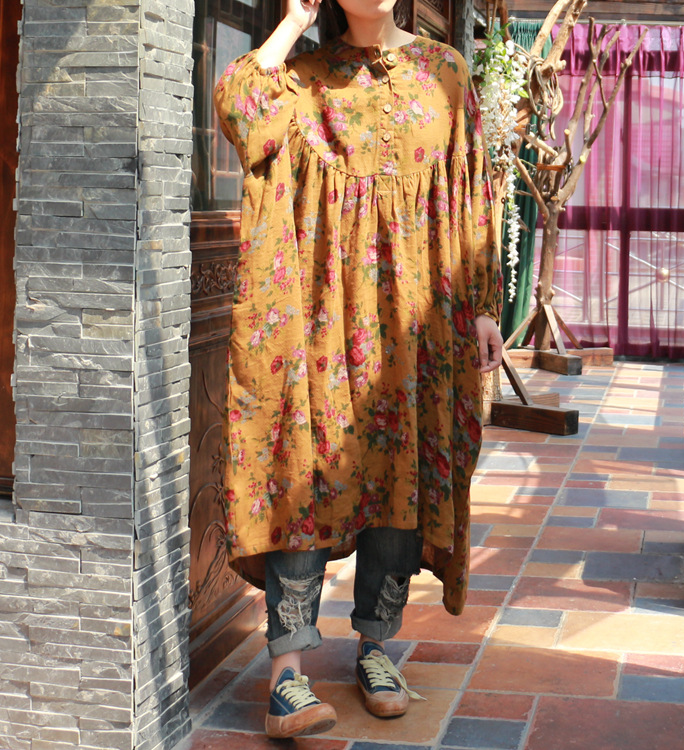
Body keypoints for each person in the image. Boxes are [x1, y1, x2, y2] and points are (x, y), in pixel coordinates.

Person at [213, 0, 504, 738]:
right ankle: (287, 671)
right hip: (315, 315)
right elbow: (239, 109)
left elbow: (471, 188)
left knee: (400, 466)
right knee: (301, 467)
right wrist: (290, 22)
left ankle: (376, 647)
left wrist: (481, 306)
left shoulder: (443, 72)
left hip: (415, 316)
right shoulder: (303, 79)